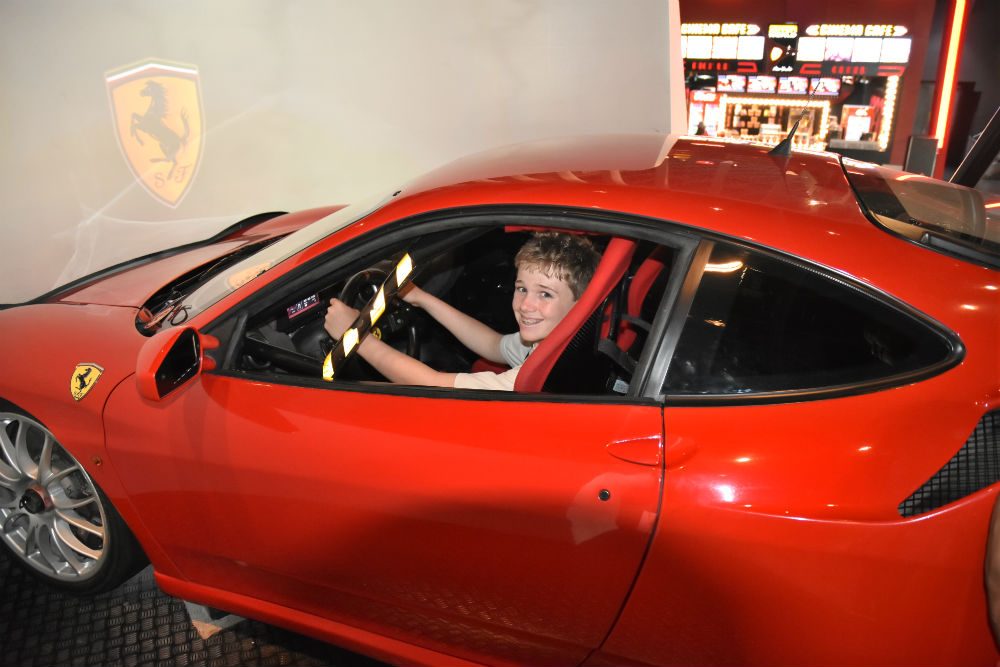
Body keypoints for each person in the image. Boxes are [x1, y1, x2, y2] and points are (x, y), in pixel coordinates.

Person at [324, 232, 601, 390]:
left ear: (580, 305)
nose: (526, 305)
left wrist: (355, 336)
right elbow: (495, 345)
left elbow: (430, 383)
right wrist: (422, 299)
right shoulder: (555, 343)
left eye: (545, 294)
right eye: (521, 288)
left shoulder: (525, 379)